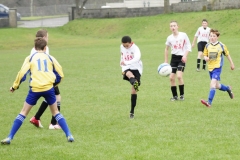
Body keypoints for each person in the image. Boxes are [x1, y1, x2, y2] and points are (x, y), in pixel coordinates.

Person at [1, 37, 74, 145]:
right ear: (45, 48)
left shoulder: (30, 58)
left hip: (35, 89)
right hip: (49, 89)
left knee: (23, 112)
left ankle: (9, 137)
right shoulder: (50, 58)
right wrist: (54, 84)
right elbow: (61, 74)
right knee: (55, 112)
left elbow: (21, 73)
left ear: (35, 48)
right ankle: (69, 135)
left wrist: (14, 87)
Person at [29, 29, 62, 130]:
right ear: (43, 38)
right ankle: (53, 123)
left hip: (39, 78)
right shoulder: (44, 48)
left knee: (52, 97)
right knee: (56, 98)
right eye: (47, 37)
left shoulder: (34, 49)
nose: (48, 39)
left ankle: (36, 118)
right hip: (45, 77)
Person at [200, 29, 234, 107]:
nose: (212, 37)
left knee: (212, 84)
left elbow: (227, 54)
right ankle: (228, 88)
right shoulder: (207, 45)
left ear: (217, 37)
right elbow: (204, 54)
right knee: (217, 86)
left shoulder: (221, 45)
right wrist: (205, 58)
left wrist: (231, 63)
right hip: (210, 68)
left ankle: (209, 102)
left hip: (217, 68)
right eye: (211, 36)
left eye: (214, 36)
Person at [164, 21, 191, 101]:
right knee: (171, 77)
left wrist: (185, 56)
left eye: (174, 26)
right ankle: (175, 96)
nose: (173, 27)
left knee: (179, 76)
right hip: (174, 59)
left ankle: (182, 95)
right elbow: (166, 49)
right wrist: (165, 60)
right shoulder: (169, 38)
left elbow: (188, 46)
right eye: (171, 26)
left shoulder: (183, 35)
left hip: (181, 58)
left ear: (177, 26)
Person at [120, 36, 143, 119]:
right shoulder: (122, 47)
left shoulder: (135, 48)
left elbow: (137, 58)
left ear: (131, 43)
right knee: (129, 74)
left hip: (136, 68)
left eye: (127, 45)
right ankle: (134, 81)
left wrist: (127, 62)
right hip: (126, 68)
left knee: (134, 90)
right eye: (124, 45)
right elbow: (122, 56)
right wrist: (122, 63)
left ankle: (132, 111)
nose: (125, 47)